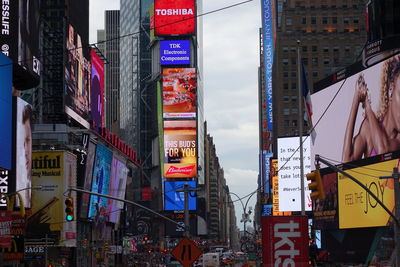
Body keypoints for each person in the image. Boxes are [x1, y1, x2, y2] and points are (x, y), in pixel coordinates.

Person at [342, 54, 400, 162]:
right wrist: (356, 99)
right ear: (391, 88)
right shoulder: (368, 126)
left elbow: (383, 150)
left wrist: (368, 106)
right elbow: (346, 160)